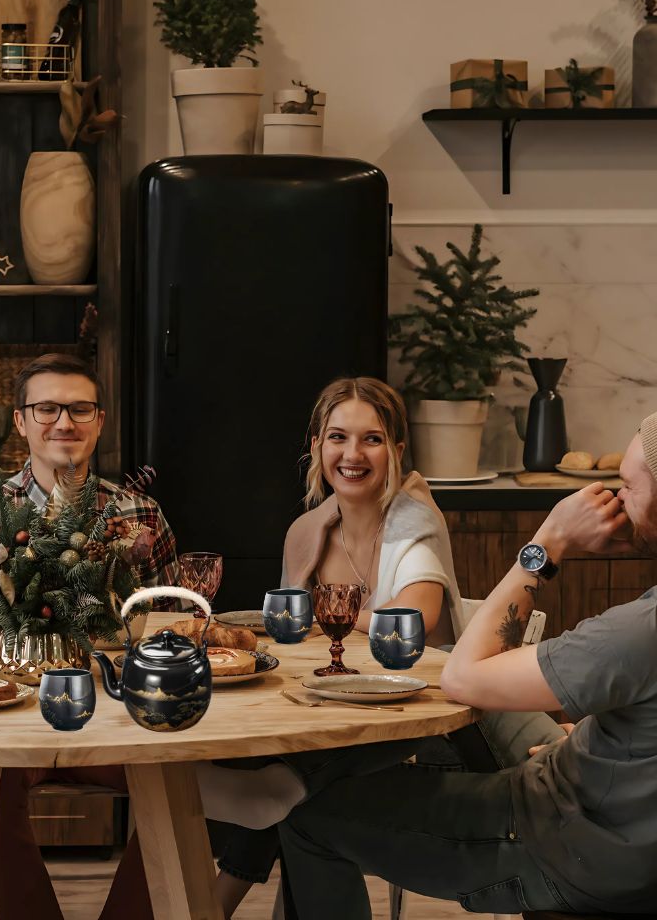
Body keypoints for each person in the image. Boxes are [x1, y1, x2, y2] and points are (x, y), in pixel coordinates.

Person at [275, 413, 657, 917]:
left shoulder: (640, 630)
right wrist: (596, 740)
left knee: (306, 815)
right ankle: (292, 777)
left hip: (567, 839)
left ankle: (288, 788)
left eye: (629, 486)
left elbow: (463, 678)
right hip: (602, 797)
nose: (616, 499)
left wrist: (548, 543)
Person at [0, 353, 177, 920]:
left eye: (80, 408)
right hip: (6, 718)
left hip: (117, 720)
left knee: (190, 782)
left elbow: (168, 632)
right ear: (20, 421)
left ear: (100, 419)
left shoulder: (139, 513)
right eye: (47, 408)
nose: (65, 422)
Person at [201, 377, 466, 917]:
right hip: (326, 713)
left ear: (395, 451)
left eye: (370, 440)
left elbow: (413, 622)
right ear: (317, 446)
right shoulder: (308, 531)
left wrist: (331, 616)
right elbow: (291, 641)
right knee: (287, 773)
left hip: (422, 725)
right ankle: (209, 901)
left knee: (293, 789)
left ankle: (210, 903)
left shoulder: (414, 523)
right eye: (337, 437)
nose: (351, 454)